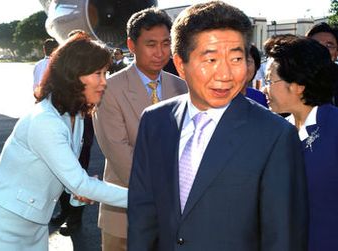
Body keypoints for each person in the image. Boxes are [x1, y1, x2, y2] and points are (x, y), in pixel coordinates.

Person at [127, 2, 308, 251]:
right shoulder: (155, 121)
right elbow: (142, 213)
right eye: (210, 59)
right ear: (180, 64)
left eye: (236, 58)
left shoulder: (275, 136)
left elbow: (283, 237)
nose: (225, 74)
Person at [0, 32, 127, 251]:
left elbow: (69, 179)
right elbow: (80, 183)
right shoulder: (45, 121)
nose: (104, 82)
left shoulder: (76, 116)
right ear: (74, 75)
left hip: (35, 225)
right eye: (98, 73)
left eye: (105, 73)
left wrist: (77, 194)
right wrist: (145, 198)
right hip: (1, 226)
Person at [93, 7, 187, 251]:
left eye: (166, 43)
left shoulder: (182, 88)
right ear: (131, 45)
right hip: (126, 215)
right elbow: (121, 157)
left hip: (174, 220)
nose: (160, 52)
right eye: (151, 44)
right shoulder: (110, 90)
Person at [263, 34, 338, 251]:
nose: (264, 88)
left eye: (270, 80)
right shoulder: (275, 131)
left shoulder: (334, 127)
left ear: (298, 85)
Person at [49, 29, 95, 237]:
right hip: (61, 120)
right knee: (60, 173)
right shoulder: (51, 70)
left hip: (84, 123)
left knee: (79, 169)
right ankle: (65, 211)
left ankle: (75, 219)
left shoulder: (94, 72)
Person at [306, 22, 338, 106]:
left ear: (336, 53)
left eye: (329, 45)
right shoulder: (292, 79)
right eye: (315, 45)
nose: (322, 50)